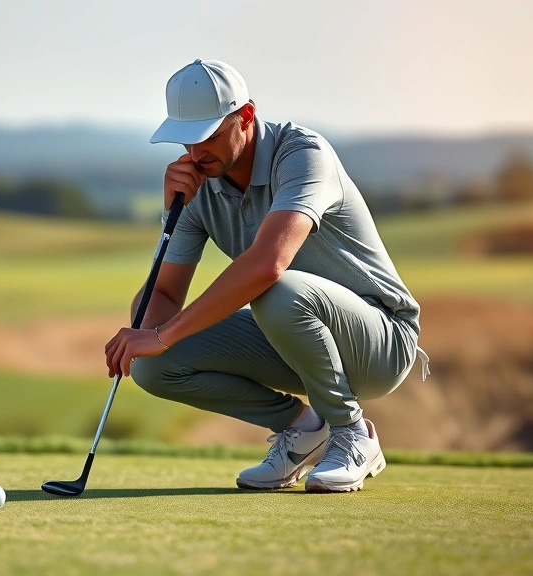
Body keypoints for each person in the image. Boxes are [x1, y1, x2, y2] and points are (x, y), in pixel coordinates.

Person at [104, 59, 429, 493]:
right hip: (294, 340)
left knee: (276, 289)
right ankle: (304, 431)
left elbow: (268, 264)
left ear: (246, 117)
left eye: (208, 137)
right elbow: (162, 295)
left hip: (380, 341)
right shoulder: (197, 184)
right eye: (186, 141)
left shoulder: (301, 154)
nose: (195, 154)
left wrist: (164, 334)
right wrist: (172, 216)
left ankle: (352, 434)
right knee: (153, 365)